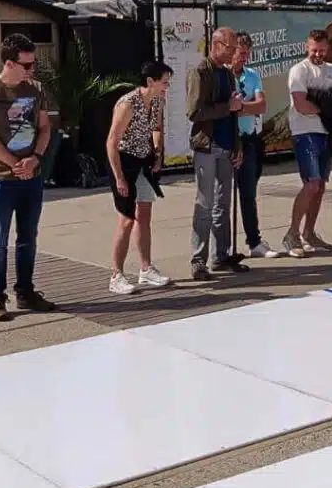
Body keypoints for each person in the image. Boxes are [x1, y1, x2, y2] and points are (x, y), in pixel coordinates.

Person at [0, 33, 56, 322]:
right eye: (27, 65)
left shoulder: (35, 90)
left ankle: (26, 291)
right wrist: (15, 164)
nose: (31, 71)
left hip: (31, 176)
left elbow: (44, 128)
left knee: (28, 237)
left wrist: (35, 160)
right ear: (10, 63)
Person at [105, 60, 174, 294]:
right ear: (150, 81)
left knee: (144, 215)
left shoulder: (157, 101)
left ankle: (146, 269)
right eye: (164, 83)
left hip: (144, 161)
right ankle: (116, 274)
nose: (167, 87)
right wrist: (119, 178)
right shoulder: (128, 104)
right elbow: (112, 141)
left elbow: (156, 128)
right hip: (124, 163)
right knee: (126, 220)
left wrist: (157, 153)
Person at [187, 26, 246, 282]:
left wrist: (237, 145)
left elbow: (233, 114)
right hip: (207, 146)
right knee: (205, 205)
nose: (233, 53)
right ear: (217, 45)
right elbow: (194, 112)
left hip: (225, 146)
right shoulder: (200, 72)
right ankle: (198, 260)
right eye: (230, 48)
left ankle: (220, 255)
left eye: (235, 49)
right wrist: (227, 107)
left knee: (223, 205)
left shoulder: (227, 74)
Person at [284, 28, 332, 258]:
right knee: (311, 183)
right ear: (306, 47)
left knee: (320, 187)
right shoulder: (299, 71)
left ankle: (309, 233)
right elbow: (301, 104)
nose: (318, 54)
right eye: (314, 50)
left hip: (325, 133)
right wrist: (326, 108)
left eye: (322, 50)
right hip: (305, 132)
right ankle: (292, 234)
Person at [232, 32, 281, 259]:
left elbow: (261, 105)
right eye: (241, 54)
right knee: (222, 197)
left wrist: (241, 107)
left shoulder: (252, 75)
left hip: (250, 137)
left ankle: (254, 242)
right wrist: (243, 106)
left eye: (247, 54)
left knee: (249, 193)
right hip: (230, 139)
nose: (244, 59)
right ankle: (221, 247)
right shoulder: (223, 75)